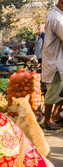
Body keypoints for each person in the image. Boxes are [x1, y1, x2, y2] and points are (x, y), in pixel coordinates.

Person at [41, 0, 63, 130]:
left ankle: (55, 116)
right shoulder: (57, 18)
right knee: (53, 93)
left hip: (58, 61)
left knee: (60, 92)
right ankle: (47, 120)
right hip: (54, 63)